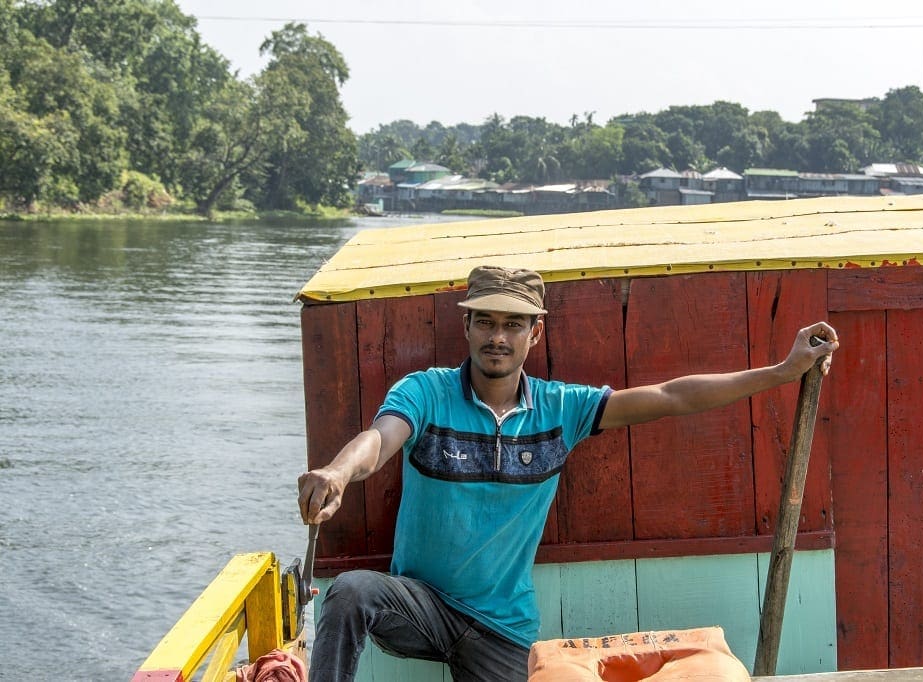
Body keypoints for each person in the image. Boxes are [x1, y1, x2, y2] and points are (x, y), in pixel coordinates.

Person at [297, 265, 838, 682]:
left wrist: (783, 371)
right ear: (465, 325)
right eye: (485, 321)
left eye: (513, 325)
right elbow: (379, 439)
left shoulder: (562, 410)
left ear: (535, 333)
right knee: (349, 592)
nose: (497, 338)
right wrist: (339, 472)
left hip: (501, 626)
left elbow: (673, 396)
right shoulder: (426, 392)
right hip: (420, 606)